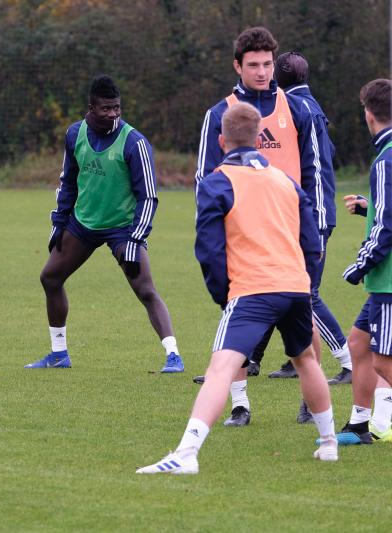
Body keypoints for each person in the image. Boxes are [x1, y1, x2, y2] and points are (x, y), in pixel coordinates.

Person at [136, 102, 337, 475]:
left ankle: (186, 453)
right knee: (305, 359)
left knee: (221, 368)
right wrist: (304, 282)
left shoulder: (216, 181)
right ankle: (328, 443)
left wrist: (223, 294)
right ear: (260, 139)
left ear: (221, 139)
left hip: (253, 289)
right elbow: (311, 243)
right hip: (295, 286)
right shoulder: (285, 181)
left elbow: (209, 250)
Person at [192, 28, 347, 426]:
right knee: (235, 311)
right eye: (253, 65)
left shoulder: (297, 109)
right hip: (243, 232)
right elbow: (205, 178)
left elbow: (316, 171)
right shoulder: (219, 114)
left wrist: (320, 224)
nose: (261, 72)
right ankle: (240, 405)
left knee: (306, 306)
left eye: (266, 64)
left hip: (292, 229)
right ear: (237, 66)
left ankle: (309, 402)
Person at [26, 75, 184, 373]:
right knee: (49, 278)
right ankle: (59, 354)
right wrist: (59, 223)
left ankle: (173, 356)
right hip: (83, 224)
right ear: (91, 107)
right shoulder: (75, 134)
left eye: (117, 108)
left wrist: (136, 240)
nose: (113, 114)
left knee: (145, 290)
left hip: (123, 229)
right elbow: (68, 183)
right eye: (107, 108)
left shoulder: (135, 143)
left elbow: (148, 197)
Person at [257, 52, 352, 391]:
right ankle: (283, 358)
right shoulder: (309, 106)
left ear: (277, 78)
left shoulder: (301, 110)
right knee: (280, 285)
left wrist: (314, 217)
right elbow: (331, 154)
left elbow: (316, 166)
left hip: (311, 215)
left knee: (306, 294)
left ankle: (347, 360)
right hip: (304, 213)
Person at [333, 79, 392, 445]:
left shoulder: (385, 160)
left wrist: (360, 265)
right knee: (358, 344)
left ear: (367, 114)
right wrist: (370, 209)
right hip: (383, 280)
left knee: (385, 360)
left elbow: (386, 228)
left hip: (387, 279)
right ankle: (359, 424)